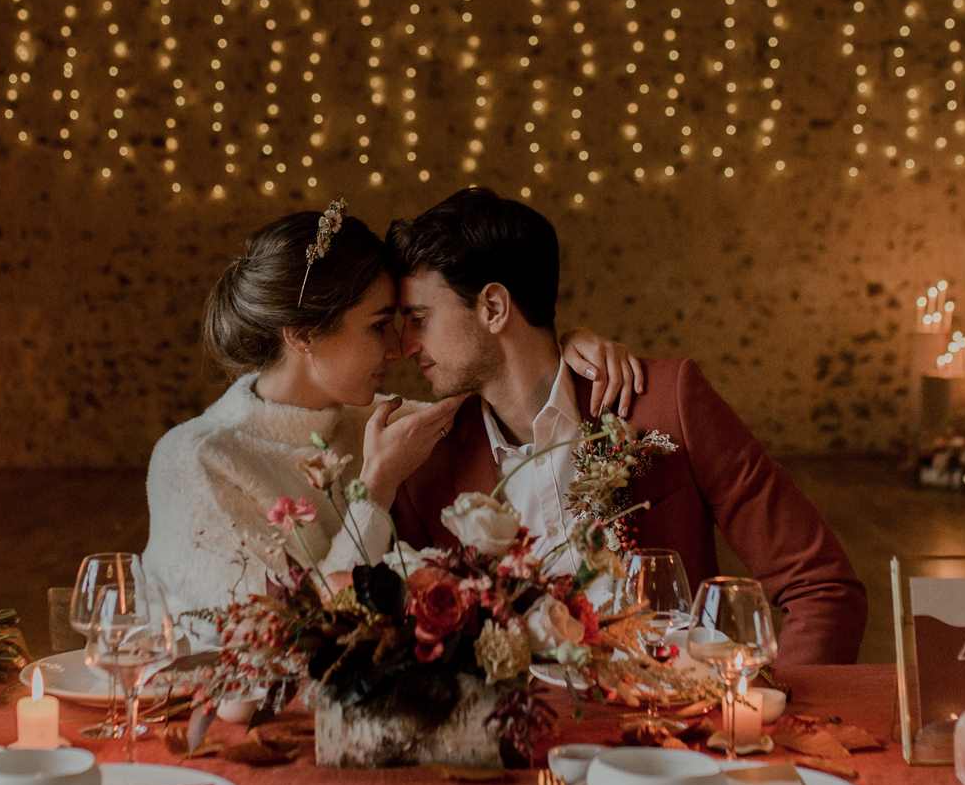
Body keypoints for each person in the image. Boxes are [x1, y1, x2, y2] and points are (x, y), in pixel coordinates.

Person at [387, 187, 867, 666]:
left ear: (493, 307)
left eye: (419, 319)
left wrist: (767, 718)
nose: (407, 345)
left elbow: (821, 587)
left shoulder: (667, 403)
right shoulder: (425, 463)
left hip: (681, 726)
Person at [142, 201, 645, 618]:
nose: (399, 347)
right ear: (302, 335)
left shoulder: (386, 422)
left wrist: (570, 348)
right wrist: (374, 491)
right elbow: (281, 638)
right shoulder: (197, 460)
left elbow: (508, 384)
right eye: (379, 325)